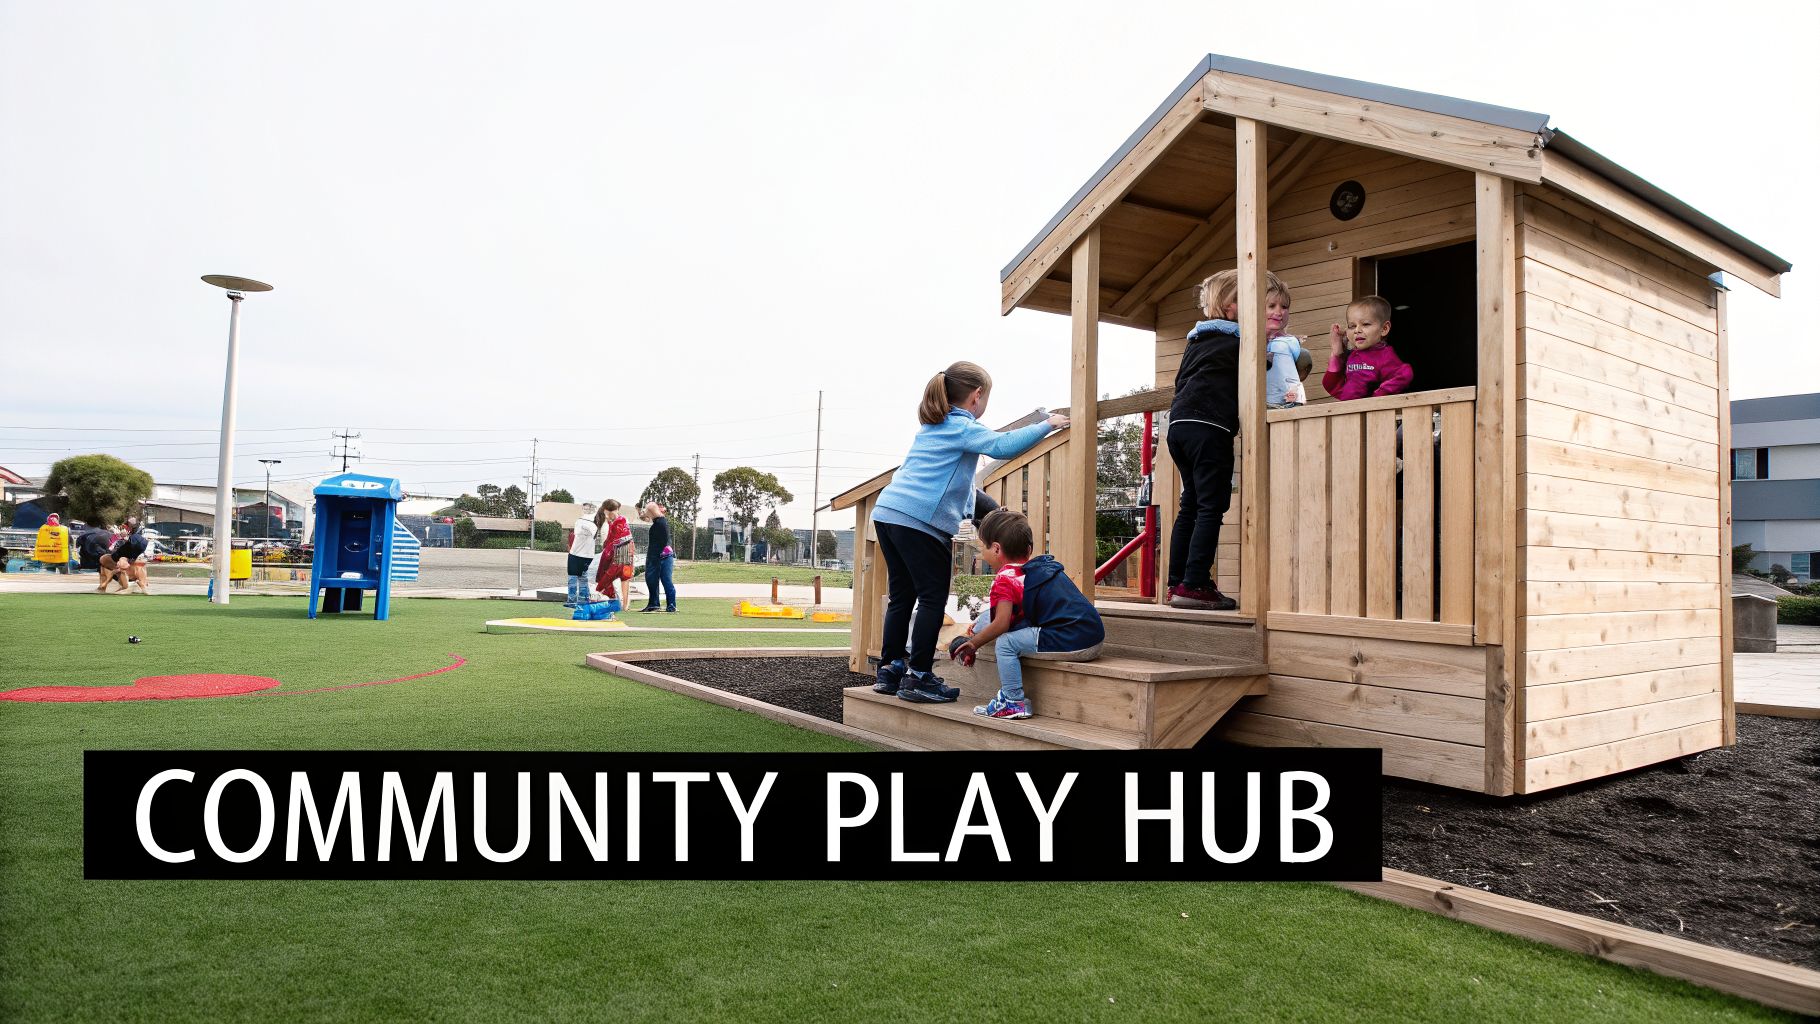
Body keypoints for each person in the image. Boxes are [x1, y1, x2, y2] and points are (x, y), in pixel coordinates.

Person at [871, 361, 1067, 704]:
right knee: (932, 597)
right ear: (976, 396)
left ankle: (891, 669)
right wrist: (1046, 425)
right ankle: (918, 677)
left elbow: (966, 492)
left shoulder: (933, 428)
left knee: (902, 596)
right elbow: (1002, 446)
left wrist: (993, 513)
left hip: (889, 514)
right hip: (919, 521)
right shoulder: (963, 427)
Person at [1166, 269, 1261, 611]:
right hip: (1209, 427)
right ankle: (1194, 584)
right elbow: (1258, 367)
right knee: (1211, 505)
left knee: (1190, 503)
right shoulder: (1239, 342)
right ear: (1229, 306)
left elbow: (1180, 380)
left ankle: (1176, 582)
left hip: (1179, 426)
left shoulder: (1196, 342)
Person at [953, 509, 1105, 720]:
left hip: (1072, 639)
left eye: (982, 548)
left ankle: (1012, 702)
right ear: (1030, 548)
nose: (981, 554)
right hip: (1093, 636)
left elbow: (1002, 624)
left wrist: (974, 643)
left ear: (996, 549)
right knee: (997, 622)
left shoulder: (1005, 579)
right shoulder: (1039, 570)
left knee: (1005, 643)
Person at [1324, 295, 1413, 401]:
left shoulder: (1384, 355)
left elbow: (1405, 374)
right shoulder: (1351, 356)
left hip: (1374, 414)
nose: (1357, 330)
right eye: (1352, 326)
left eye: (1365, 324)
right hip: (1349, 413)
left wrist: (1379, 395)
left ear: (1384, 329)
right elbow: (1332, 386)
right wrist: (1336, 353)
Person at [593, 499, 634, 608]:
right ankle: (624, 604)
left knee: (608, 576)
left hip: (619, 556)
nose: (605, 515)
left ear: (610, 511)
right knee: (625, 579)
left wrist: (606, 552)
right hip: (626, 555)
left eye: (606, 512)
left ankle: (598, 595)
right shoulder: (620, 521)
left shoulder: (618, 522)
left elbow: (614, 540)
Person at [638, 501, 676, 613]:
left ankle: (666, 605)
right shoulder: (659, 521)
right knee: (655, 580)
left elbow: (663, 541)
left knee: (661, 580)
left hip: (659, 557)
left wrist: (658, 555)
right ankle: (659, 604)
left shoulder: (659, 523)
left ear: (651, 512)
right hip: (660, 556)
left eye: (647, 511)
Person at [103, 517, 150, 594]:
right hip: (133, 551)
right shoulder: (133, 536)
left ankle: (138, 584)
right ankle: (139, 584)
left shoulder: (131, 535)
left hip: (130, 551)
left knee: (124, 568)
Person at [565, 502, 599, 607]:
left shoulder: (582, 522)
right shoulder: (592, 523)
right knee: (581, 577)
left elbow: (579, 532)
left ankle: (573, 601)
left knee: (573, 577)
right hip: (585, 555)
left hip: (578, 554)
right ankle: (581, 600)